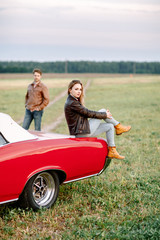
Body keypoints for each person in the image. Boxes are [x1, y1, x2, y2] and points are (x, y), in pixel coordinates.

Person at [64, 80, 131, 159]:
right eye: (76, 89)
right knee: (102, 111)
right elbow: (87, 113)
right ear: (70, 90)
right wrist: (104, 115)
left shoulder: (73, 100)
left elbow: (85, 113)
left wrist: (104, 115)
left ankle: (112, 150)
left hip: (82, 130)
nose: (79, 91)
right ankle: (118, 126)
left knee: (109, 126)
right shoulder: (72, 103)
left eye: (80, 89)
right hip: (81, 133)